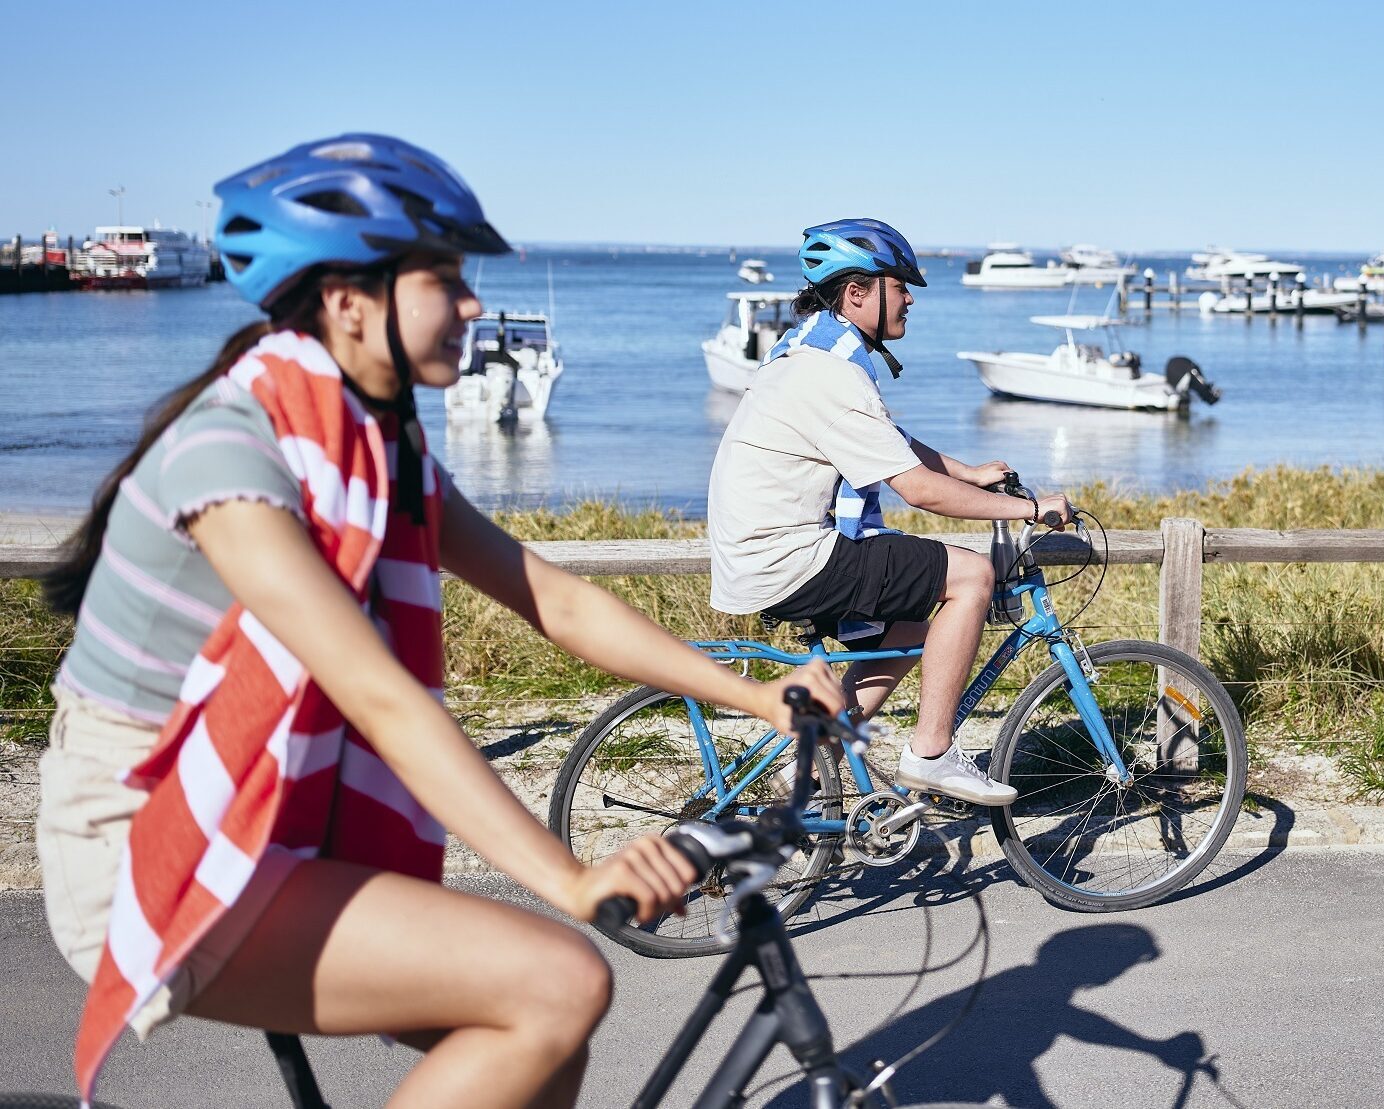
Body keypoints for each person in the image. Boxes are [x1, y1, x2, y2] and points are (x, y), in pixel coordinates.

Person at [36, 134, 842, 1108]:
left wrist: (754, 692)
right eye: (445, 278)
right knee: (557, 979)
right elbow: (377, 693)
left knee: (548, 1036)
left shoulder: (382, 446)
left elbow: (554, 596)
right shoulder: (230, 453)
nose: (471, 305)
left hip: (276, 808)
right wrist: (571, 879)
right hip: (151, 834)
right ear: (348, 302)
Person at [705, 218, 1071, 807]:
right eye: (900, 287)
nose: (909, 301)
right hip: (789, 558)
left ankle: (796, 775)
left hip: (762, 555)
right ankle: (931, 752)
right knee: (971, 575)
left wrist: (972, 473)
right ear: (857, 293)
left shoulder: (809, 351)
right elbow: (919, 491)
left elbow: (886, 440)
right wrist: (1027, 508)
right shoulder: (831, 372)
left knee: (906, 634)